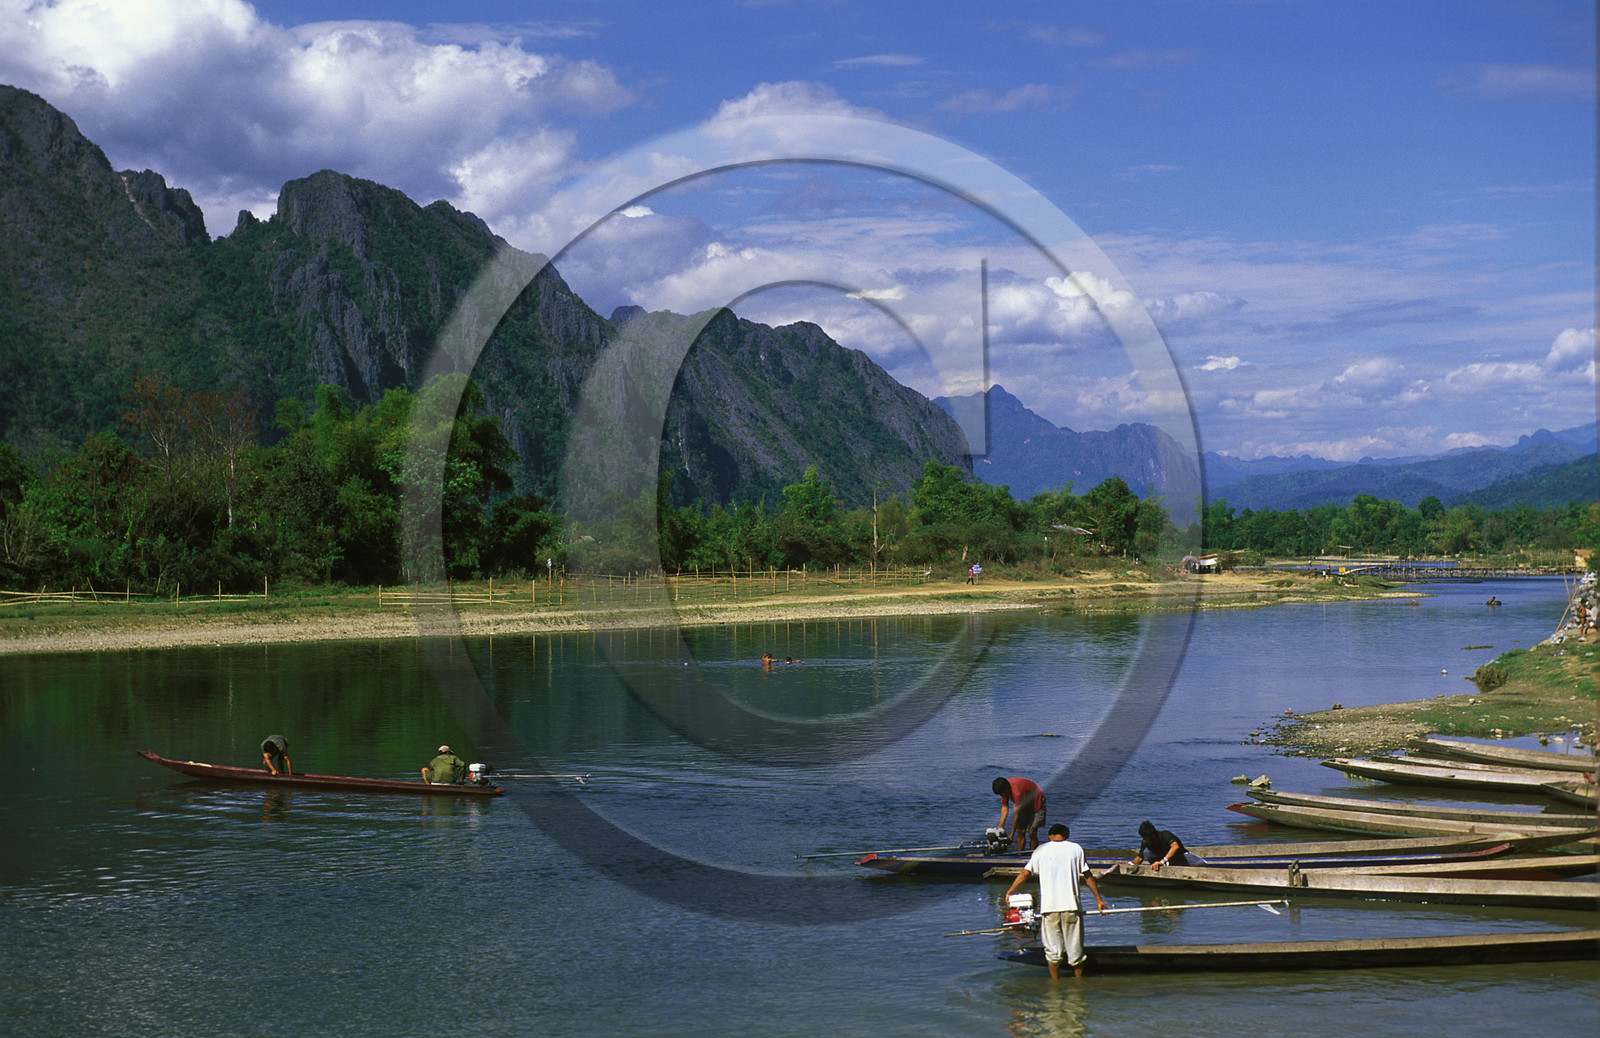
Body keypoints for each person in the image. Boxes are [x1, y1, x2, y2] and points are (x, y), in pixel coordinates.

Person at [1003, 823, 1108, 979]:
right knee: (1076, 952)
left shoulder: (1040, 850)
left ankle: (1054, 985)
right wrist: (1099, 900)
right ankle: (1079, 985)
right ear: (1067, 836)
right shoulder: (1075, 849)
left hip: (1049, 908)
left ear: (1049, 836)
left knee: (1053, 953)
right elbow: (1087, 876)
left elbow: (1025, 873)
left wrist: (1010, 892)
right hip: (1071, 907)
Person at [992, 775, 1047, 852]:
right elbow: (1005, 807)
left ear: (1007, 789)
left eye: (1003, 794)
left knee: (1032, 831)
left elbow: (1016, 816)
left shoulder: (1017, 792)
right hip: (1024, 804)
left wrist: (1011, 835)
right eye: (1001, 794)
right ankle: (1019, 855)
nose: (1002, 796)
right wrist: (1000, 826)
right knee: (1020, 831)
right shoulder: (1003, 790)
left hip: (1036, 802)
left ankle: (1033, 856)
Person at [1129, 819, 1206, 870]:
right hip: (1164, 861)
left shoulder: (1165, 835)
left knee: (1201, 864)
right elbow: (1139, 858)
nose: (1144, 840)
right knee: (1146, 852)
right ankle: (1157, 867)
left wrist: (1162, 861)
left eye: (1145, 838)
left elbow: (1175, 847)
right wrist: (1129, 864)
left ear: (1152, 836)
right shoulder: (1145, 842)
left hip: (1179, 857)